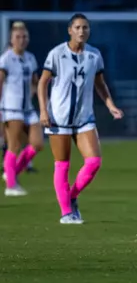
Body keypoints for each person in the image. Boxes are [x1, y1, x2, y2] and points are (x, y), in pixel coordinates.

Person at [37, 13, 124, 224]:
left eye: (85, 27)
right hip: (59, 117)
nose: (81, 31)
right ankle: (66, 212)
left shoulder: (94, 55)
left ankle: (72, 195)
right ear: (70, 30)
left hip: (84, 118)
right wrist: (43, 111)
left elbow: (100, 84)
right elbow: (42, 83)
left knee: (94, 162)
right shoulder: (57, 54)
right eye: (77, 27)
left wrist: (111, 106)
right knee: (62, 165)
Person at [0, 21, 44, 196]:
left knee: (38, 144)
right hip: (11, 108)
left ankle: (11, 173)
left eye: (25, 36)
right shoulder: (6, 59)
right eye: (18, 37)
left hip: (28, 108)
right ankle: (11, 186)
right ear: (11, 39)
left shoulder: (30, 58)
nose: (22, 40)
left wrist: (36, 93)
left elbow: (36, 82)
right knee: (14, 145)